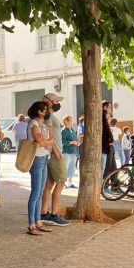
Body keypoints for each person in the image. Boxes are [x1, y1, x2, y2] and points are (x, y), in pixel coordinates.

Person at [26, 101, 55, 236]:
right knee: (35, 193)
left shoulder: (41, 124)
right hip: (37, 159)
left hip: (44, 158)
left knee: (40, 192)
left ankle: (38, 222)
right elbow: (41, 142)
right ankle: (31, 225)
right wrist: (49, 142)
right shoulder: (33, 124)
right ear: (39, 111)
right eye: (45, 109)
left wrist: (47, 142)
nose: (47, 111)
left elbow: (46, 141)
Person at [41, 93, 69, 226]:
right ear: (50, 102)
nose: (58, 103)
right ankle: (54, 214)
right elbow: (49, 136)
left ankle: (43, 213)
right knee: (61, 182)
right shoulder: (48, 118)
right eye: (56, 100)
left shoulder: (51, 116)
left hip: (53, 154)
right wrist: (56, 153)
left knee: (49, 185)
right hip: (55, 155)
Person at [61, 115, 80, 189]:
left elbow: (76, 140)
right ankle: (63, 183)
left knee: (72, 168)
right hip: (67, 152)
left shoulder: (72, 130)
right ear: (66, 121)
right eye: (70, 120)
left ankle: (70, 183)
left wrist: (77, 143)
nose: (72, 122)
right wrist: (72, 142)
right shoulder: (63, 131)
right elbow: (63, 142)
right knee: (65, 167)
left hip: (74, 152)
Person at [102, 101, 115, 179]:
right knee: (107, 167)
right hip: (106, 146)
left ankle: (115, 186)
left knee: (114, 167)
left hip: (111, 146)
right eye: (109, 107)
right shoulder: (102, 117)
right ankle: (105, 186)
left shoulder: (106, 120)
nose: (111, 109)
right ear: (105, 107)